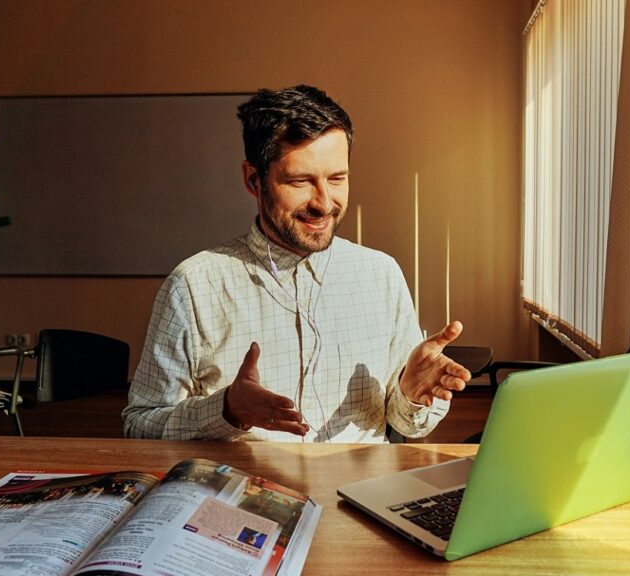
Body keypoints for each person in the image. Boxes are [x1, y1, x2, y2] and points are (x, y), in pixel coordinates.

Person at [123, 85, 471, 443]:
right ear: (254, 180)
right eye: (300, 181)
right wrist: (226, 411)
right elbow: (140, 425)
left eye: (337, 178)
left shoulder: (381, 275)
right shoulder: (194, 286)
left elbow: (408, 424)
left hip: (357, 491)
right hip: (242, 493)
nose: (323, 203)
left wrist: (410, 395)